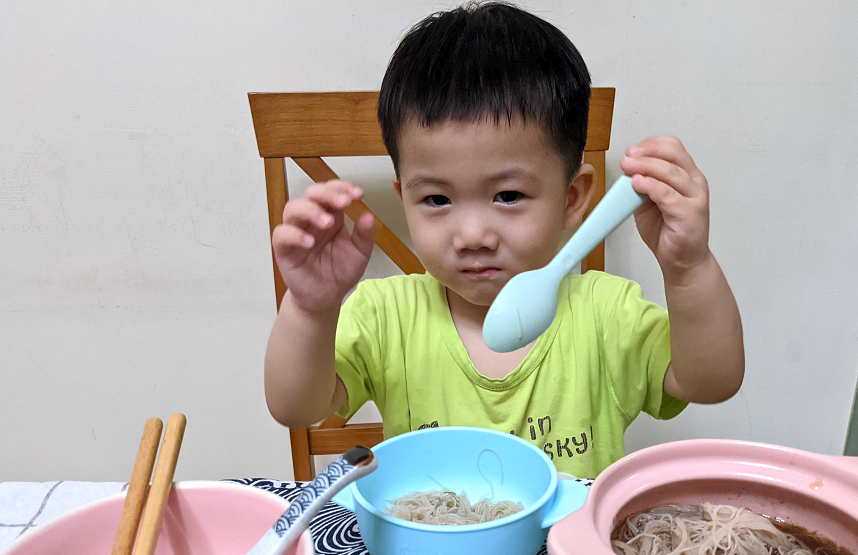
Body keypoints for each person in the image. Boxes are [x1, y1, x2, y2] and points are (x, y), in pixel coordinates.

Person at [264, 1, 744, 478]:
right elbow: (297, 408)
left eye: (508, 195)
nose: (472, 235)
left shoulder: (606, 314)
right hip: (431, 551)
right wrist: (311, 310)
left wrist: (688, 271)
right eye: (435, 200)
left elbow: (711, 381)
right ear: (403, 198)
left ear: (572, 198)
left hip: (569, 553)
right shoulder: (385, 315)